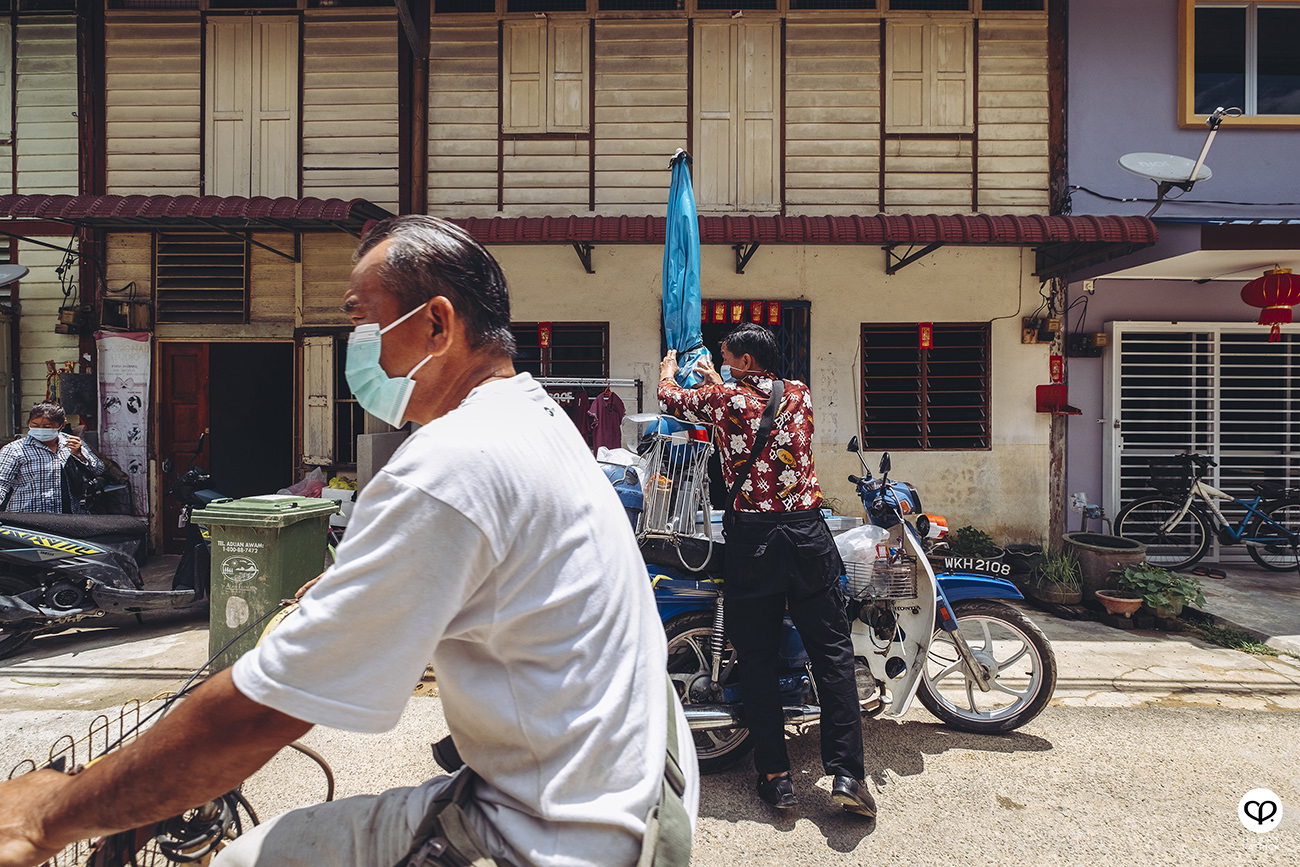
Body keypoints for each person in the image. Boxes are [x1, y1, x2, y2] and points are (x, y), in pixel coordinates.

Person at [0, 215, 697, 867]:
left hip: (558, 832)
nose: (354, 347)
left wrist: (51, 813)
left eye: (363, 321)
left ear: (435, 324)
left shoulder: (454, 463)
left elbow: (265, 710)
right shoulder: (532, 416)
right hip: (644, 784)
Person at [657, 323, 875, 818]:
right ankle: (847, 774)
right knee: (833, 654)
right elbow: (746, 404)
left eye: (730, 357)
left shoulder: (724, 402)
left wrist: (670, 370)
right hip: (806, 537)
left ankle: (776, 779)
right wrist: (721, 379)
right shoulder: (798, 394)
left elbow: (672, 397)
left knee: (754, 657)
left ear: (748, 363)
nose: (725, 363)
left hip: (754, 542)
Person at [0, 402, 104, 514]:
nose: (40, 429)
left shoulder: (73, 443)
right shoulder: (14, 449)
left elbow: (98, 470)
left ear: (62, 425)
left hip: (70, 517)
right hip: (28, 519)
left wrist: (80, 455)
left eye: (47, 427)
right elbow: (2, 484)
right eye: (35, 425)